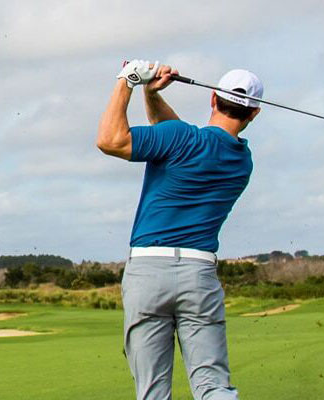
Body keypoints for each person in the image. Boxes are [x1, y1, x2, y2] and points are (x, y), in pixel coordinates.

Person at [97, 59, 263, 400]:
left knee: (153, 392)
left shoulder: (179, 139)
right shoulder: (241, 161)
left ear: (213, 98)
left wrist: (126, 81)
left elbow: (110, 141)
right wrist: (152, 94)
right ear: (254, 115)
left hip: (147, 273)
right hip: (199, 276)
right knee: (213, 386)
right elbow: (176, 139)